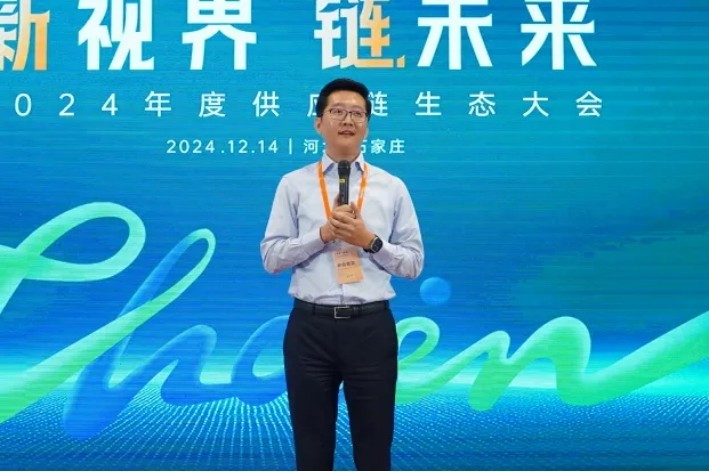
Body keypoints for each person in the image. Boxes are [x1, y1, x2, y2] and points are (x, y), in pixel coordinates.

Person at [260, 78, 424, 471]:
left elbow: (414, 263)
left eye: (357, 113)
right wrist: (321, 235)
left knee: (374, 448)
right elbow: (271, 258)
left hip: (371, 330)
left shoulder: (392, 187)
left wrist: (370, 241)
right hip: (310, 330)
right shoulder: (294, 184)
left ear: (367, 125)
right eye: (337, 111)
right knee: (312, 449)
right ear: (319, 123)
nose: (347, 120)